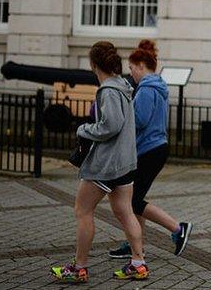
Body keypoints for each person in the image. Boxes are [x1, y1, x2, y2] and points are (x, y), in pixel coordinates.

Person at [51, 41, 150, 283]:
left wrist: (85, 129)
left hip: (105, 165)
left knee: (83, 211)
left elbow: (111, 125)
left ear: (94, 64)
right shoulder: (124, 85)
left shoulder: (107, 90)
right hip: (125, 162)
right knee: (125, 212)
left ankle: (79, 268)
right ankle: (138, 263)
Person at [108, 39, 193, 260]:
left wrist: (121, 115)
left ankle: (178, 229)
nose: (131, 74)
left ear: (140, 66)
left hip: (148, 150)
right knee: (135, 199)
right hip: (155, 149)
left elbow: (140, 120)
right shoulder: (158, 86)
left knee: (133, 201)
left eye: (131, 69)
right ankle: (135, 244)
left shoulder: (146, 89)